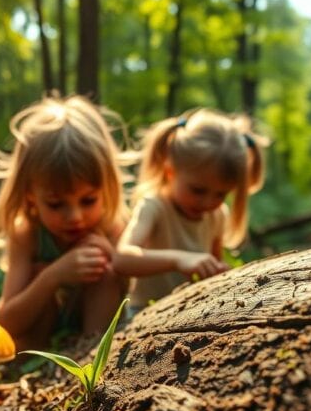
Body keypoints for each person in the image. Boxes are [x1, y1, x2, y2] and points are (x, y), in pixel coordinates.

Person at [0, 95, 130, 351]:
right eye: (55, 203)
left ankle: (91, 355)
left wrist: (114, 257)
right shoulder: (27, 234)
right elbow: (7, 322)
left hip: (95, 336)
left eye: (88, 200)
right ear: (31, 195)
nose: (75, 217)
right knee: (38, 274)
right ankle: (34, 372)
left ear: (107, 187)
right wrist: (53, 276)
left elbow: (136, 298)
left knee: (105, 270)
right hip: (38, 349)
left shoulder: (110, 226)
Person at [114, 109, 266, 313]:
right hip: (143, 311)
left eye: (221, 194)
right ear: (170, 171)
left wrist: (218, 272)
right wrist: (179, 259)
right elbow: (122, 259)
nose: (208, 202)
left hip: (190, 310)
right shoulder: (155, 206)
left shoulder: (218, 214)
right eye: (198, 190)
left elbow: (214, 265)